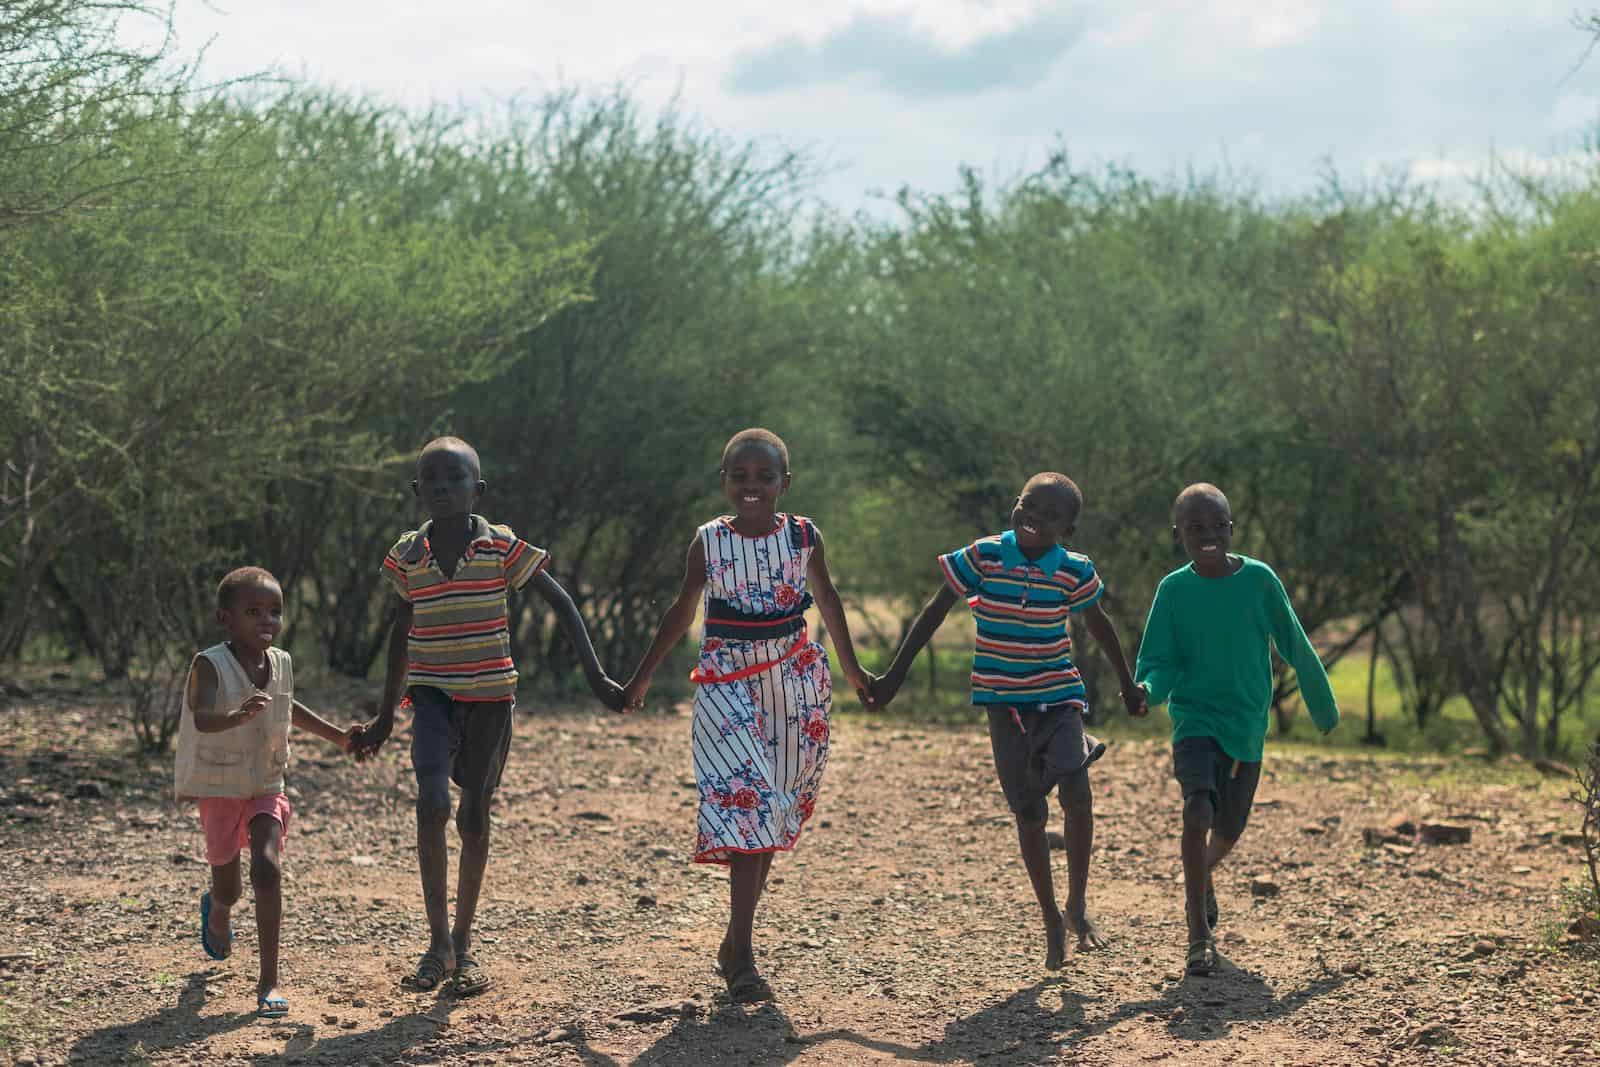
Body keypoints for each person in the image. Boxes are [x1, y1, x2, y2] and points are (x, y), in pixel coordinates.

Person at [351, 435, 624, 997]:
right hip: (430, 695)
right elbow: (402, 633)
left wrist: (597, 678)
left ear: (478, 490)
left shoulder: (501, 547)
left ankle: (464, 943)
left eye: (456, 480)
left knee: (474, 814)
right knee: (431, 803)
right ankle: (436, 946)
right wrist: (384, 716)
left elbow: (562, 602)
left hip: (491, 698)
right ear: (417, 491)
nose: (444, 489)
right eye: (433, 481)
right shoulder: (407, 556)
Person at [621, 428, 873, 1003]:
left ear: (786, 482)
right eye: (741, 476)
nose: (752, 487)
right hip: (725, 685)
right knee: (751, 805)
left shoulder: (805, 537)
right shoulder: (708, 542)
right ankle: (745, 960)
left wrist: (854, 672)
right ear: (724, 481)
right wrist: (640, 677)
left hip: (795, 683)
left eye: (765, 477)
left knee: (775, 808)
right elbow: (682, 611)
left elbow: (828, 601)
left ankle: (733, 942)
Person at [870, 472, 1146, 970]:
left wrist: (1127, 685)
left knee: (1077, 793)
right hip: (1003, 702)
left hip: (1060, 696)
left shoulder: (1074, 570)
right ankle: (1049, 920)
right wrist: (894, 676)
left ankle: (1077, 903)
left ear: (1069, 527)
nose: (1034, 516)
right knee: (1029, 814)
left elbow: (1097, 624)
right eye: (1027, 504)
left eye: (1050, 513)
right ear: (1016, 506)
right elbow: (935, 611)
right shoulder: (983, 556)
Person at [1133, 482, 1339, 976]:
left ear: (1231, 529)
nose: (1207, 535)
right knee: (1198, 806)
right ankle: (1197, 934)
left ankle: (1199, 875)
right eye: (1194, 527)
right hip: (1195, 718)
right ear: (1178, 533)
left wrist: (1322, 704)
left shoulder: (1259, 580)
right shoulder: (1173, 590)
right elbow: (1160, 660)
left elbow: (1293, 639)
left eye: (1216, 526)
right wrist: (1146, 691)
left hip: (1246, 722)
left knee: (1230, 827)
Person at [175, 566, 356, 1018]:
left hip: (265, 783)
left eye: (274, 612)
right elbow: (201, 717)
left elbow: (289, 707)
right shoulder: (209, 664)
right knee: (231, 888)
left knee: (268, 867)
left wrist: (340, 737)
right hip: (219, 786)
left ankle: (269, 979)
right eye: (253, 612)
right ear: (225, 618)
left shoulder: (281, 663)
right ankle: (218, 908)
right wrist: (235, 716)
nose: (266, 622)